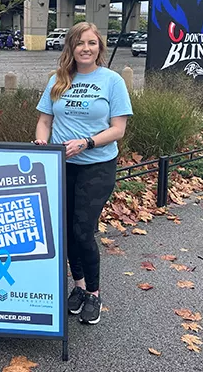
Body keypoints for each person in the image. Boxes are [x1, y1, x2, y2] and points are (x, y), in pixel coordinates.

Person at [34, 22, 132, 325]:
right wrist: (41, 143)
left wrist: (86, 143)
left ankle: (94, 292)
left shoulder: (112, 81)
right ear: (71, 48)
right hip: (61, 166)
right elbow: (45, 121)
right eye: (79, 43)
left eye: (91, 43)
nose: (85, 49)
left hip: (97, 165)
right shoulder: (58, 80)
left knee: (82, 230)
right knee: (64, 232)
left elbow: (118, 129)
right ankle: (77, 287)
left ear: (99, 48)